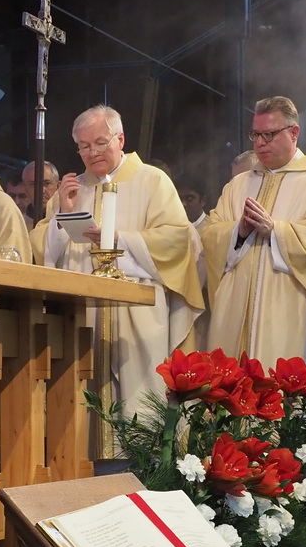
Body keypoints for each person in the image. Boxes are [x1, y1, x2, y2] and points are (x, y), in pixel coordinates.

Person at [35, 105, 203, 437]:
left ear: (120, 138)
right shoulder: (70, 191)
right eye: (83, 146)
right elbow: (43, 252)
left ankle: (145, 480)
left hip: (137, 317)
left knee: (140, 411)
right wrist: (62, 215)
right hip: (82, 317)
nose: (91, 152)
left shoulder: (152, 181)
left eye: (99, 142)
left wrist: (120, 240)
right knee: (82, 417)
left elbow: (177, 241)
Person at [200, 97, 306, 364]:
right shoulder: (238, 185)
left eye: (269, 134)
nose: (260, 143)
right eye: (255, 135)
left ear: (294, 132)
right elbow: (211, 236)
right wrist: (239, 231)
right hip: (235, 313)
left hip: (290, 310)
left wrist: (275, 231)